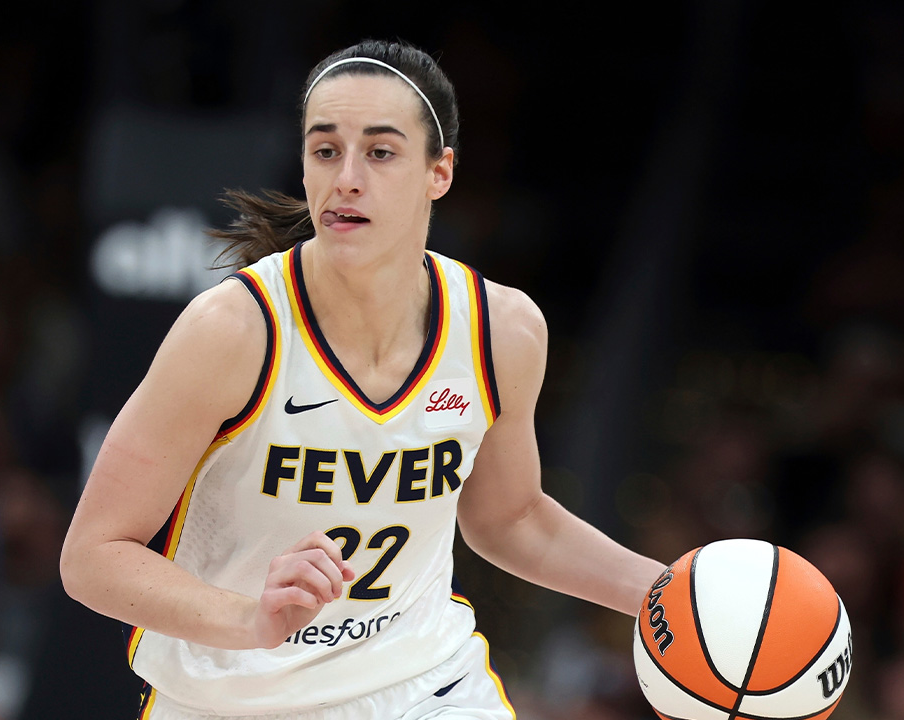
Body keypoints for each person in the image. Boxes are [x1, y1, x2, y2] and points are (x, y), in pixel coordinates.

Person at [60, 40, 665, 720]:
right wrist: (248, 618)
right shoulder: (233, 331)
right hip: (232, 699)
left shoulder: (503, 330)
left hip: (425, 687)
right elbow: (93, 555)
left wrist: (669, 595)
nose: (347, 178)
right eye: (325, 151)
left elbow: (511, 518)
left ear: (440, 173)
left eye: (380, 152)